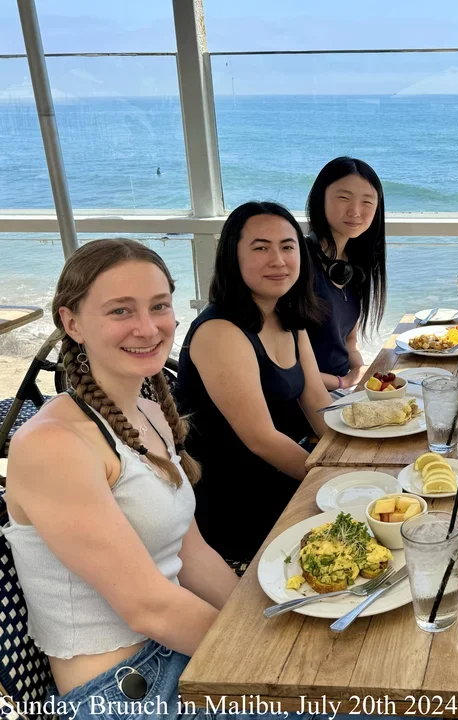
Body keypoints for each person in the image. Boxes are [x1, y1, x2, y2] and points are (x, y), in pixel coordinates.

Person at [1, 239, 285, 718]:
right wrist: (267, 658)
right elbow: (147, 607)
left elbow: (193, 555)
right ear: (72, 323)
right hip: (126, 691)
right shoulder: (53, 445)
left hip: (179, 645)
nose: (148, 327)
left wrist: (259, 625)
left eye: (159, 306)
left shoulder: (149, 413)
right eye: (120, 311)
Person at [176, 201, 333, 566]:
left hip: (279, 478)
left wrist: (350, 463)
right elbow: (261, 439)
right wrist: (328, 484)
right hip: (236, 504)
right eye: (261, 247)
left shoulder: (286, 314)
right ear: (233, 257)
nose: (278, 260)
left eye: (287, 246)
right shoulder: (221, 331)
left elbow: (318, 402)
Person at [305, 157, 386, 392]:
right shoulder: (297, 261)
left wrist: (360, 370)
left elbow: (350, 341)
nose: (355, 211)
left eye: (367, 201)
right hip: (306, 396)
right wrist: (344, 382)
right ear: (320, 198)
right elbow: (281, 365)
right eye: (343, 198)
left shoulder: (354, 265)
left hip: (339, 388)